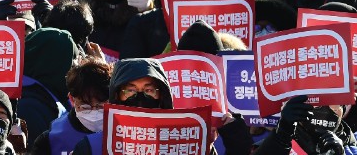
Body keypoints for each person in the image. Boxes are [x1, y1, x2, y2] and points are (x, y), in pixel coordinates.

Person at [72, 58, 252, 154]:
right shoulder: (91, 148)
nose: (140, 97)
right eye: (130, 91)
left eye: (149, 90)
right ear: (116, 95)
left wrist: (236, 142)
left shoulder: (186, 142)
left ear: (162, 95)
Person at [30, 59, 112, 154]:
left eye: (100, 106)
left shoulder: (123, 135)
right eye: (85, 107)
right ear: (72, 100)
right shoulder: (50, 140)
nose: (94, 113)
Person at [18, 27, 77, 141]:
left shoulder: (44, 100)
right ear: (59, 65)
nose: (74, 73)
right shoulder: (29, 111)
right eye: (72, 65)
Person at [254, 96, 357, 154]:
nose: (325, 111)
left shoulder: (352, 149)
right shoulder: (280, 141)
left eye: (334, 106)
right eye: (317, 105)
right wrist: (281, 138)